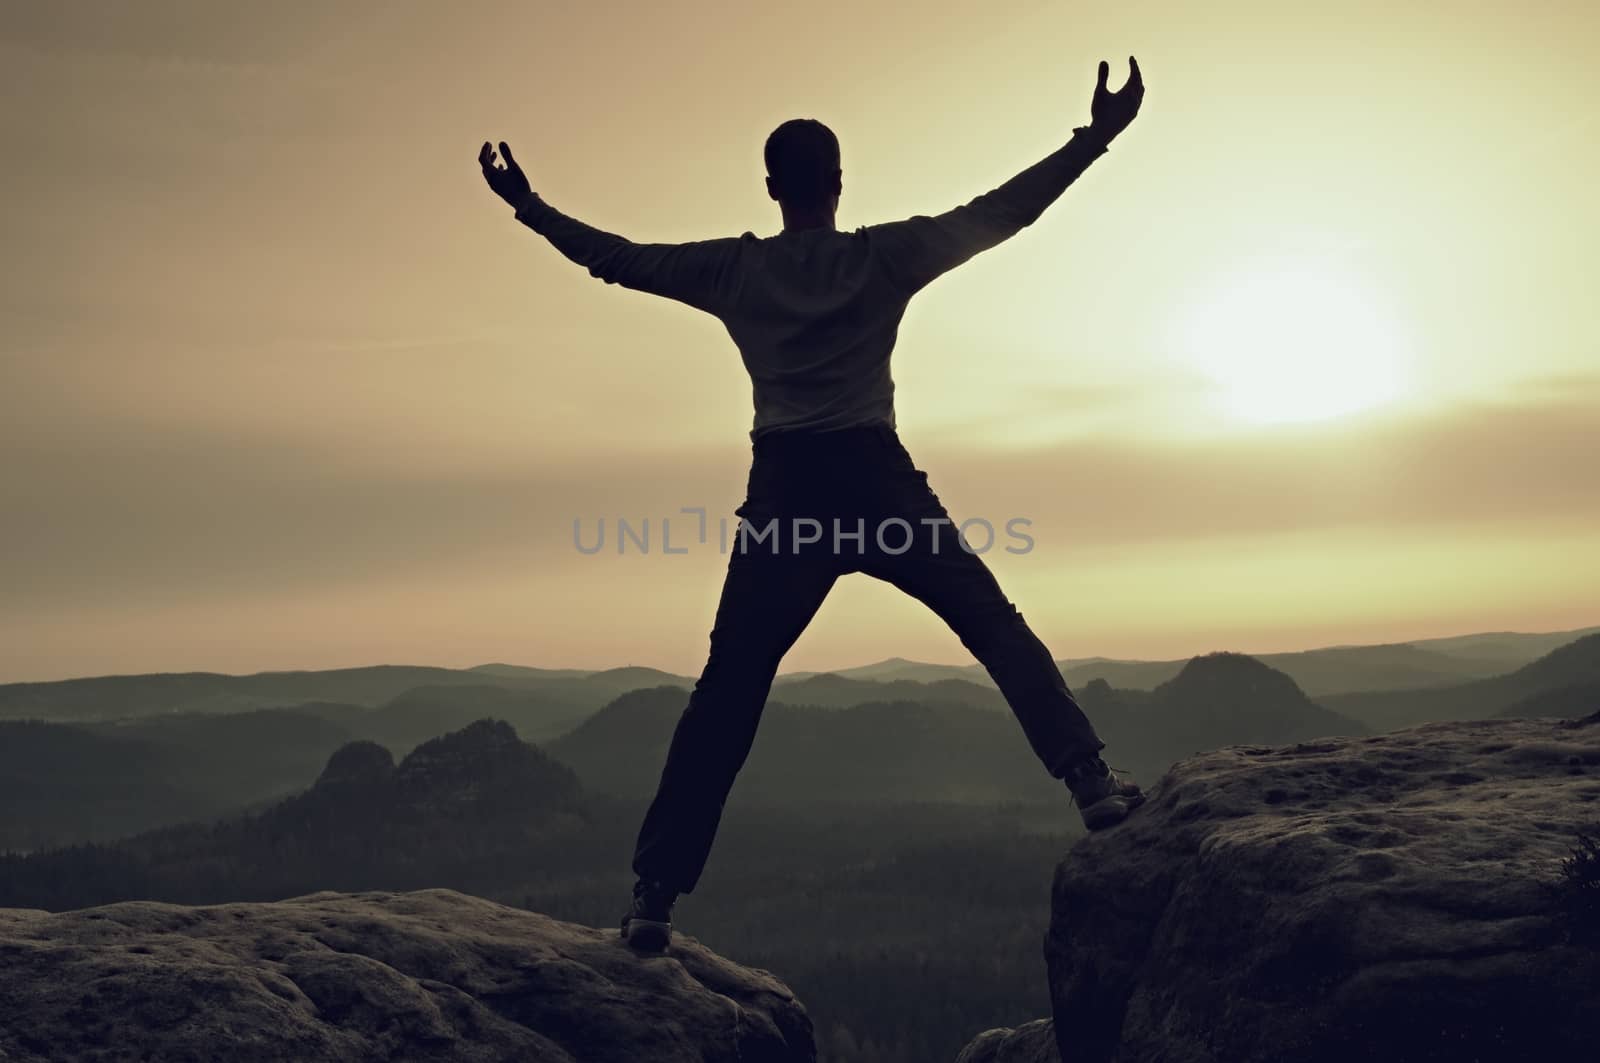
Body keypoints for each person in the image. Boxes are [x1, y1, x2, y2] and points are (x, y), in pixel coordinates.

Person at [480, 56, 1148, 952]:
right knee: (990, 621)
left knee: (729, 690)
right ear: (838, 183)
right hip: (877, 483)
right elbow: (1002, 212)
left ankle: (653, 897)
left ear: (770, 187)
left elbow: (618, 261)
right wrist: (1095, 138)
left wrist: (528, 207)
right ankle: (1091, 780)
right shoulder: (886, 256)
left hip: (787, 492)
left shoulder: (734, 273)